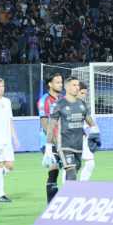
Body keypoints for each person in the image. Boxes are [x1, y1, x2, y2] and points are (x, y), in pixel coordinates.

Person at [51, 77, 100, 183]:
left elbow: (90, 122)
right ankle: (72, 190)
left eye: (78, 85)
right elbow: (52, 125)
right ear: (67, 87)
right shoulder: (60, 104)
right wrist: (48, 146)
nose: (77, 88)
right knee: (71, 171)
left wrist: (95, 132)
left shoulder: (82, 104)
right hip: (65, 144)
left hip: (79, 143)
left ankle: (72, 189)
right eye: (74, 85)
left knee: (76, 170)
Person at [37, 72, 64, 202]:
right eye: (57, 82)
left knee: (68, 168)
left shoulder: (63, 99)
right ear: (50, 84)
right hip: (48, 141)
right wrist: (54, 141)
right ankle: (51, 203)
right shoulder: (44, 100)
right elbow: (44, 123)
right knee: (54, 167)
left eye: (61, 82)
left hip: (62, 139)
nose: (60, 84)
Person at [76, 82, 97, 181]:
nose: (84, 96)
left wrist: (94, 131)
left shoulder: (83, 105)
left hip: (82, 137)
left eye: (85, 94)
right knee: (71, 166)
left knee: (90, 163)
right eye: (82, 93)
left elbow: (88, 120)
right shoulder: (65, 103)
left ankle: (82, 185)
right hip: (68, 139)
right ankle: (67, 187)